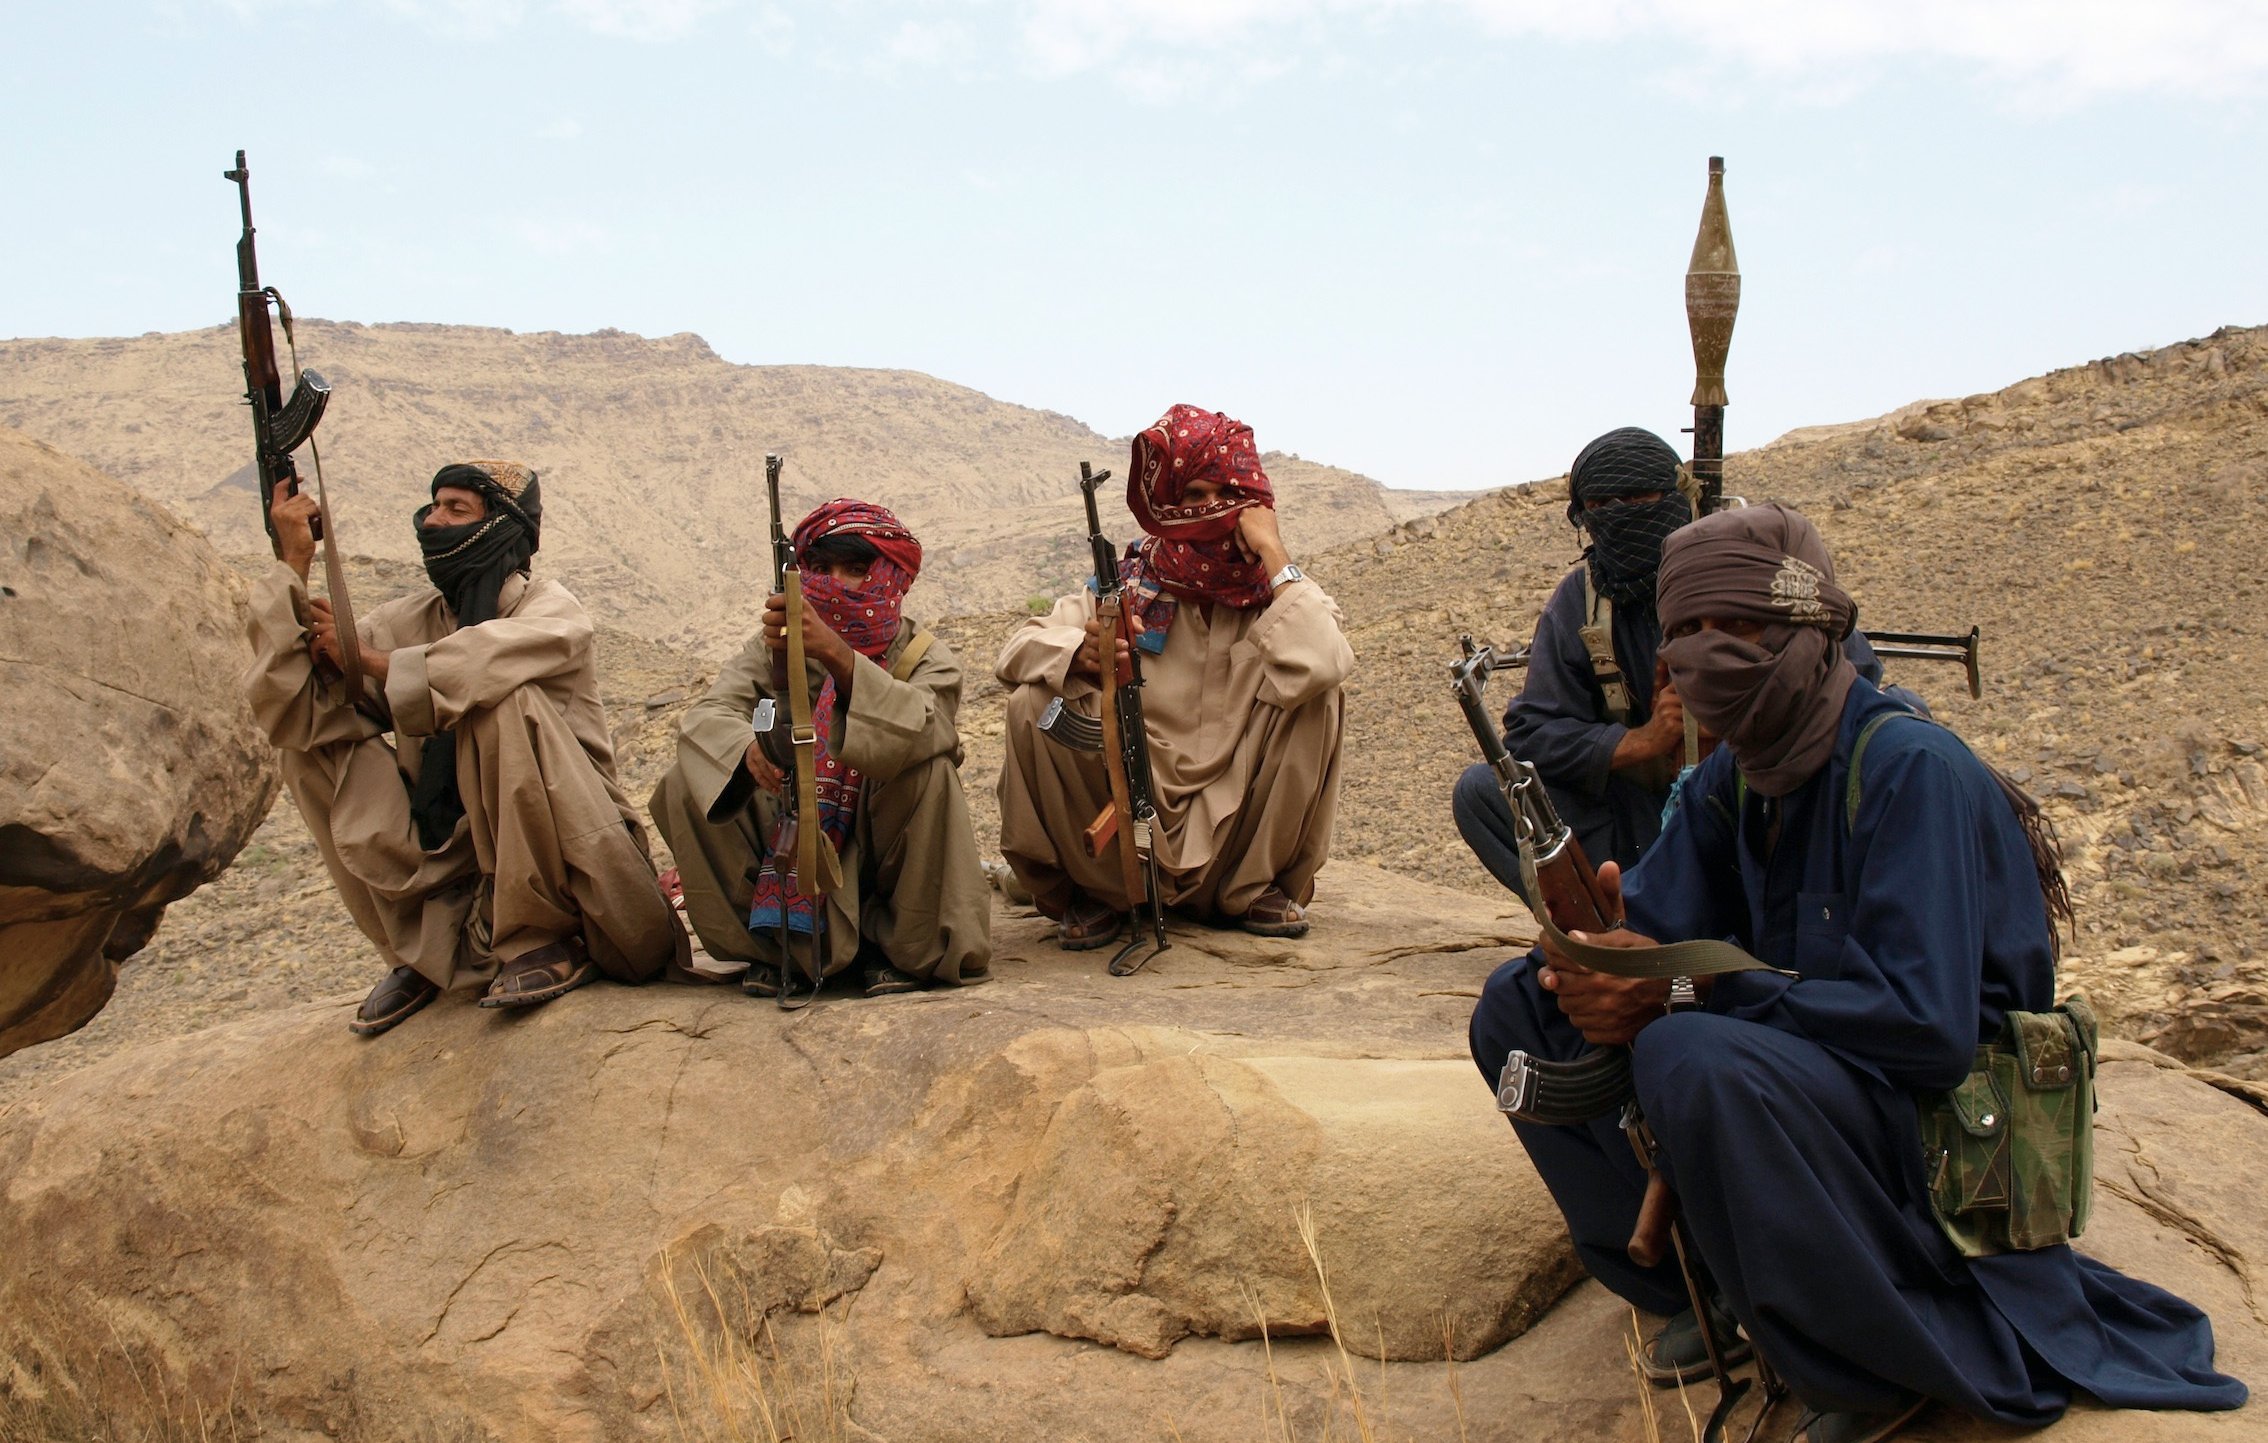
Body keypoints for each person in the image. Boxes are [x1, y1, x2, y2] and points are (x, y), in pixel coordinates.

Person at [1467, 504, 2244, 1443]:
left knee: (1689, 1053)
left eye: (1738, 626)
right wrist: (1594, 955)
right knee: (1518, 1006)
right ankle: (1705, 1284)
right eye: (1685, 630)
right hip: (1817, 1097)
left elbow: (1927, 1030)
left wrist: (1689, 988)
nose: (1707, 653)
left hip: (1941, 1134)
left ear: (1811, 628)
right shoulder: (1736, 778)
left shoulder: (1911, 768)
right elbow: (1657, 928)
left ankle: (1870, 1362)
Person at [246, 460, 686, 1036]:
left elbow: (475, 665)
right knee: (309, 744)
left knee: (499, 700)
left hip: (581, 875)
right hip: (457, 869)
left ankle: (542, 936)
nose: (434, 521)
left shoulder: (551, 610)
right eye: (433, 506)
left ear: (503, 527)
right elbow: (289, 707)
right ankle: (421, 956)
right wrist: (294, 566)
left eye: (457, 509)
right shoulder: (407, 620)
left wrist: (367, 659)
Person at [1453, 426, 1896, 902]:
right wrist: (1641, 742)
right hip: (1645, 816)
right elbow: (1533, 733)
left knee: (1894, 735)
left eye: (1638, 498)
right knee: (1485, 793)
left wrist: (1747, 713)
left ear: (1678, 498)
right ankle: (1605, 919)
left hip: (1766, 796)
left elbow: (1855, 677)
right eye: (1600, 506)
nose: (1620, 516)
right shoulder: (1581, 602)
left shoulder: (1748, 570)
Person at [996, 404, 1354, 948]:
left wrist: (1272, 551)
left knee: (1320, 694)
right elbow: (1016, 652)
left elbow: (1326, 659)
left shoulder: (1281, 593)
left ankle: (1252, 889)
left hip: (1235, 819)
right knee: (1032, 703)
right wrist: (1080, 653)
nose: (1212, 509)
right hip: (1132, 812)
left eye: (1228, 495)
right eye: (1194, 495)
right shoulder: (1126, 586)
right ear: (1167, 505)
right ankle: (1094, 893)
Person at [649, 499, 990, 997]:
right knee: (688, 781)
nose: (834, 583)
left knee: (928, 769)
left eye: (853, 570)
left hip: (874, 846)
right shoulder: (771, 649)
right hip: (788, 826)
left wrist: (837, 655)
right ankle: (774, 952)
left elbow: (924, 727)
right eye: (821, 569)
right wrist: (746, 751)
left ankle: (903, 949)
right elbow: (710, 713)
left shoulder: (924, 656)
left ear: (888, 577)